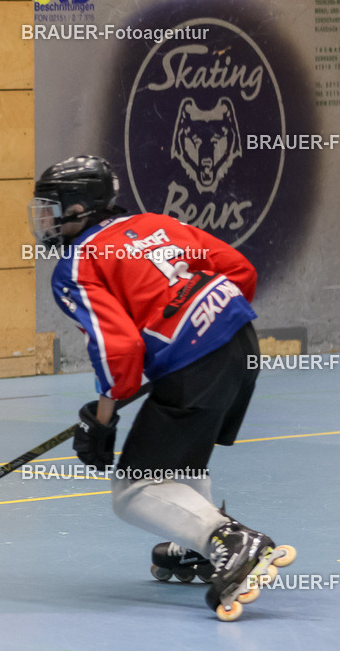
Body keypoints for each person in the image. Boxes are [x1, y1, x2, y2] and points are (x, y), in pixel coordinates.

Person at [28, 155, 294, 620]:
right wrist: (200, 334)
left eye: (51, 209)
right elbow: (239, 270)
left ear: (79, 209)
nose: (44, 221)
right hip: (241, 344)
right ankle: (199, 545)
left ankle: (230, 541)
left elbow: (118, 348)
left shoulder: (76, 265)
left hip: (197, 364)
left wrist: (101, 420)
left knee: (133, 491)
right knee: (178, 459)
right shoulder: (157, 223)